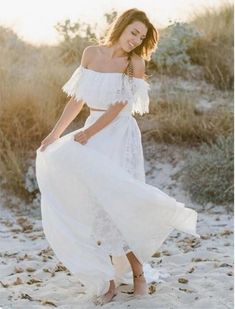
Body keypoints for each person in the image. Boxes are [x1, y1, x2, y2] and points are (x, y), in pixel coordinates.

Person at [35, 8, 200, 306]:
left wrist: (89, 134)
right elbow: (76, 100)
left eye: (141, 37)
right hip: (91, 131)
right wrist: (56, 133)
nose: (135, 40)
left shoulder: (134, 62)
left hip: (118, 133)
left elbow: (118, 107)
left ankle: (138, 274)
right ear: (122, 27)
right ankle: (108, 280)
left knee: (121, 203)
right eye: (133, 32)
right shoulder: (91, 53)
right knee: (96, 206)